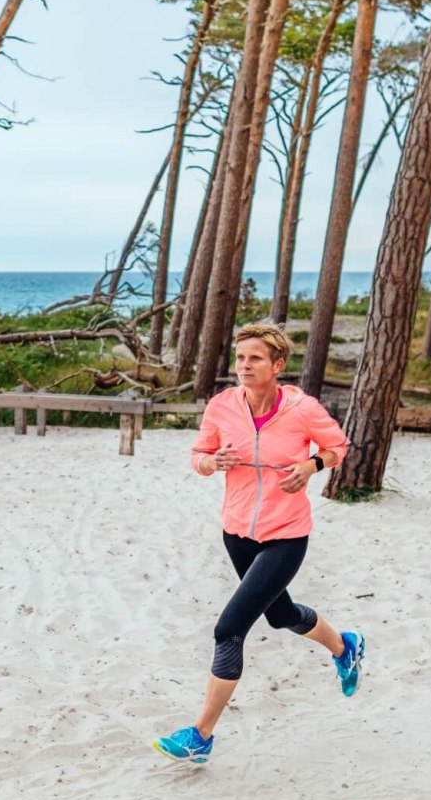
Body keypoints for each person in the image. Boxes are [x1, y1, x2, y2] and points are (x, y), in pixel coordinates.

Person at [153, 322, 362, 763]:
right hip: (237, 534)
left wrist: (311, 465)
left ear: (277, 365)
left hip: (286, 537)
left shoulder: (302, 409)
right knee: (280, 614)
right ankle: (344, 645)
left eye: (255, 359)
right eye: (241, 357)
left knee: (229, 629)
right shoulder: (222, 406)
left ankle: (201, 736)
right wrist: (212, 461)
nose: (244, 366)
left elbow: (340, 446)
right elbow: (197, 456)